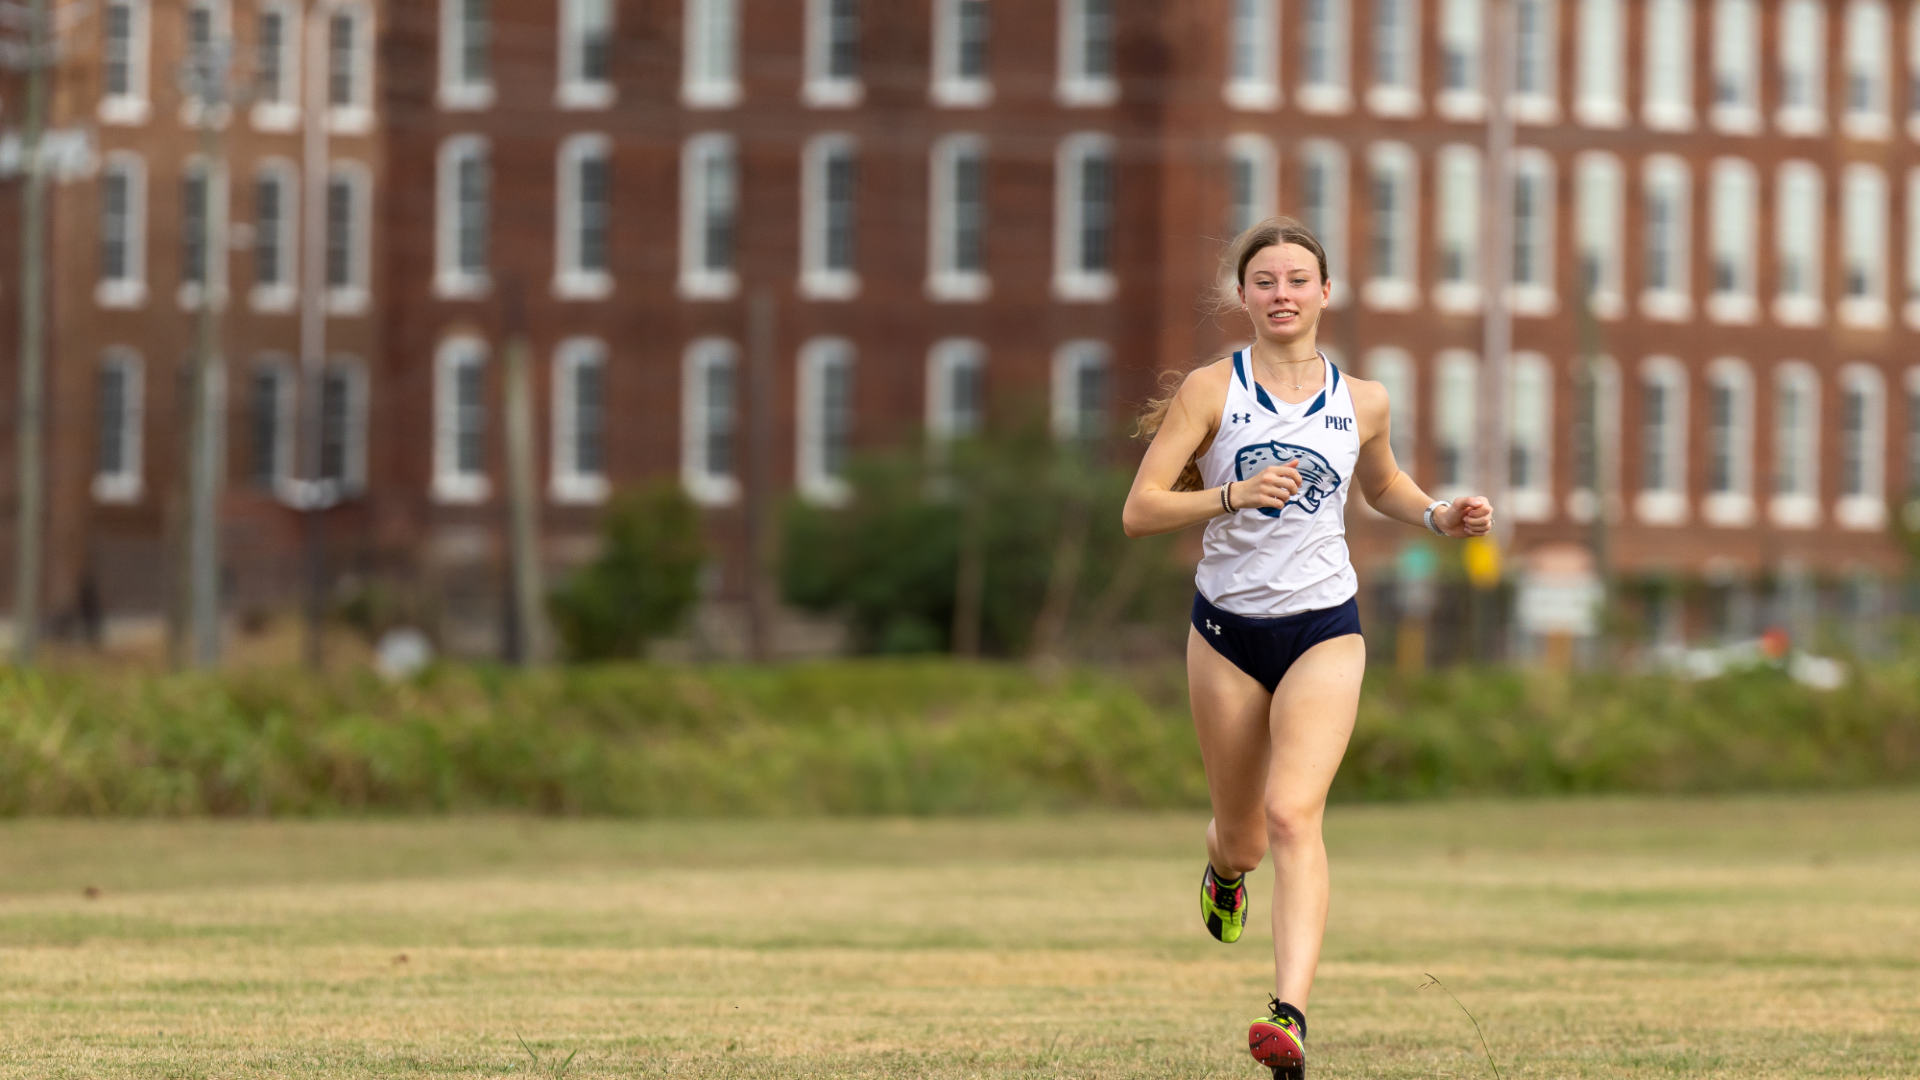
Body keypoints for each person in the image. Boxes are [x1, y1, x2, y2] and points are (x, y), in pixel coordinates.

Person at [1120, 217, 1494, 1078]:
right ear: (1241, 297)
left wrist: (1438, 515)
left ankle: (1288, 1015)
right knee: (1245, 836)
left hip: (1325, 625)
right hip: (1226, 632)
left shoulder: (1363, 397)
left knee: (1296, 814)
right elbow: (1140, 511)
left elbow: (1383, 484)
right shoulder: (1214, 392)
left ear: (1326, 292)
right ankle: (1222, 872)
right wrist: (1232, 494)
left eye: (1298, 279)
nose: (1282, 294)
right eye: (1264, 281)